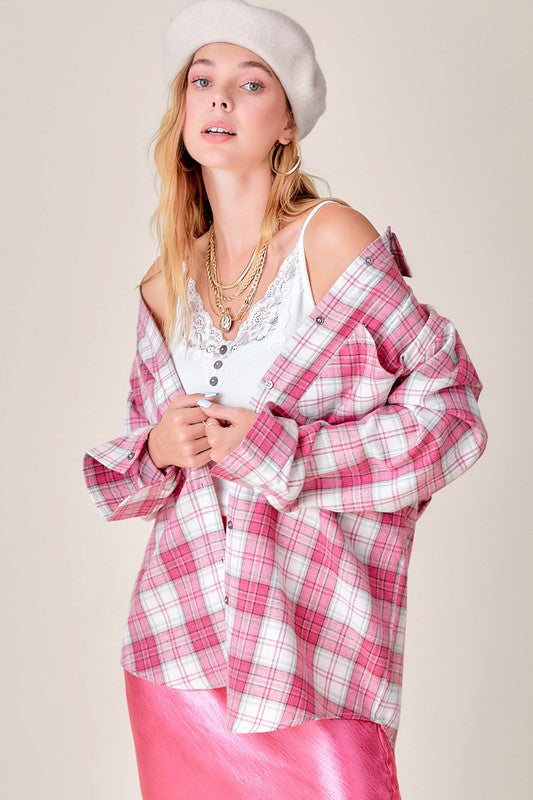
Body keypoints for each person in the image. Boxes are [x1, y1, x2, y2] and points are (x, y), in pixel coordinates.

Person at [82, 1, 489, 798]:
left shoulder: (331, 241)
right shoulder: (164, 282)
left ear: (287, 124)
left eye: (249, 83)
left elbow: (451, 413)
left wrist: (283, 451)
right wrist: (158, 448)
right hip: (176, 649)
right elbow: (139, 478)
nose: (219, 100)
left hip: (314, 652)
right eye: (202, 80)